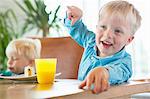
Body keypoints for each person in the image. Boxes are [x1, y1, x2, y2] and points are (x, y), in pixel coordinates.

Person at [64, 0, 141, 94]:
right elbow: (77, 29)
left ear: (128, 40)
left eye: (117, 31)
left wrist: (105, 72)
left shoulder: (125, 62)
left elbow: (119, 72)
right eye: (103, 27)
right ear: (96, 27)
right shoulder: (91, 42)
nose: (107, 34)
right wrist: (74, 18)